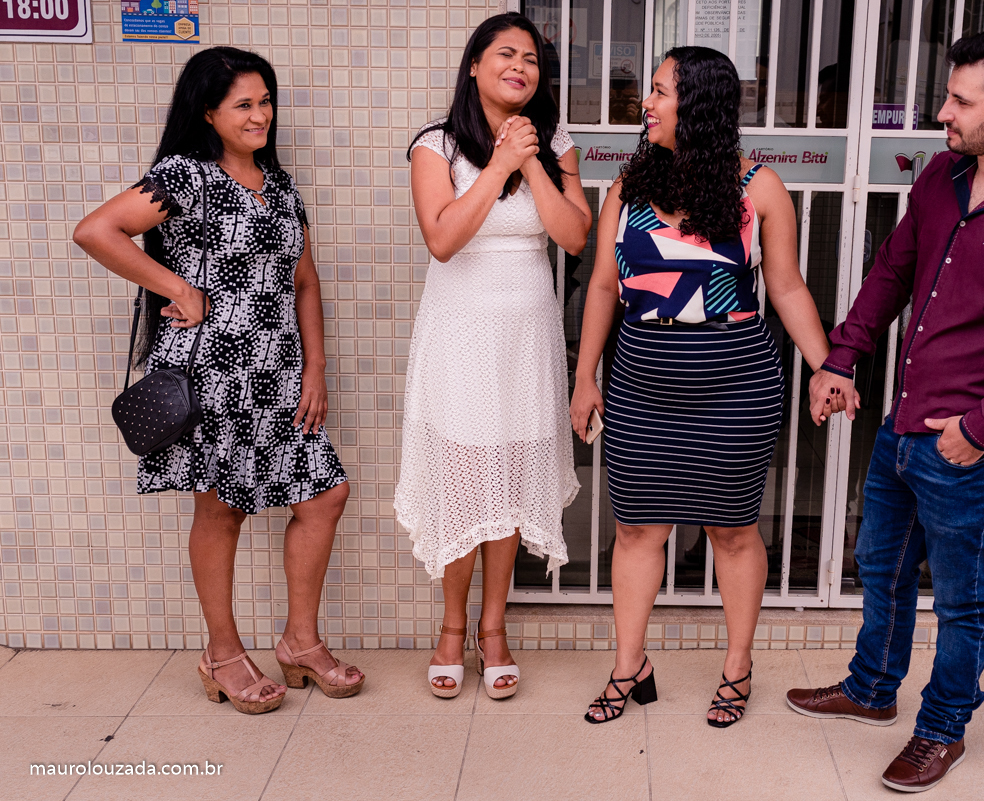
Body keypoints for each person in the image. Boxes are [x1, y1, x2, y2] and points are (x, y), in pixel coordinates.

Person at [785, 30, 984, 792]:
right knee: (882, 566)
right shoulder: (940, 178)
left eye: (961, 100)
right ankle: (870, 688)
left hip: (978, 444)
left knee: (963, 598)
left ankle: (942, 728)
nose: (943, 113)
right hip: (904, 421)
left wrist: (981, 425)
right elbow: (892, 272)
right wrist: (840, 356)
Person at [73, 47, 362, 714]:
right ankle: (222, 652)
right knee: (221, 507)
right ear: (208, 112)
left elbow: (305, 282)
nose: (260, 114)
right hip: (212, 373)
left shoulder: (280, 185)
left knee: (324, 493)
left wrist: (315, 369)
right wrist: (178, 286)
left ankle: (299, 641)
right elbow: (97, 230)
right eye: (244, 104)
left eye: (266, 101)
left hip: (280, 374)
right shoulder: (185, 177)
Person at [569, 46, 832, 727]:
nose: (645, 103)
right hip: (640, 387)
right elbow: (601, 287)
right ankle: (630, 664)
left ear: (702, 106)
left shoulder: (759, 189)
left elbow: (787, 286)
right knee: (635, 530)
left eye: (660, 91)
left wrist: (827, 364)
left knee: (733, 531)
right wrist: (584, 377)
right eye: (649, 90)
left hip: (735, 387)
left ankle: (737, 666)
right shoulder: (627, 189)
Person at [395, 13, 592, 700]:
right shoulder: (435, 145)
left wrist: (532, 158)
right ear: (474, 65)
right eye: (506, 54)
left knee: (508, 481)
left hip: (527, 338)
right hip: (462, 336)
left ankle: (494, 629)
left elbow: (572, 235)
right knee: (465, 478)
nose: (521, 66)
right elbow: (443, 239)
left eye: (532, 58)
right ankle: (451, 630)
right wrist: (499, 164)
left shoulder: (557, 144)